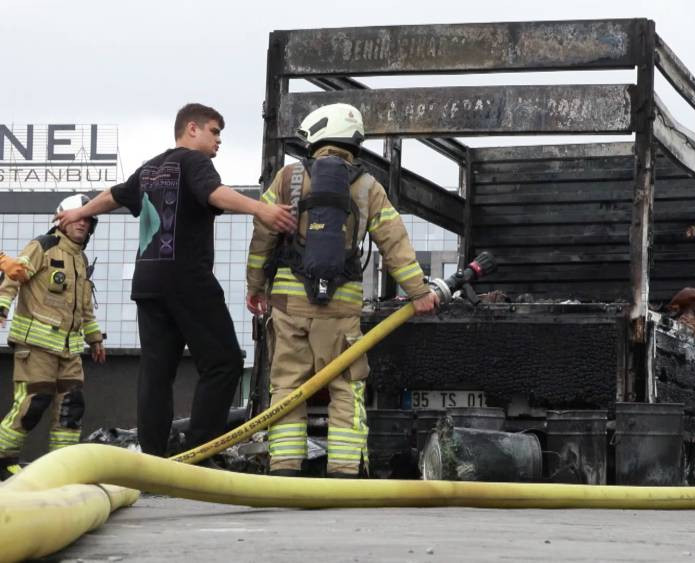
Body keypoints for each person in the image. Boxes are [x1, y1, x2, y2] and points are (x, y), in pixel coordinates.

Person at [55, 103, 296, 458]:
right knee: (224, 362)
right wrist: (261, 208)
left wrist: (79, 210)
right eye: (214, 132)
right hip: (186, 278)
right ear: (192, 129)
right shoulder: (195, 162)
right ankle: (200, 453)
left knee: (157, 373)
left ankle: (154, 461)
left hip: (148, 282)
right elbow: (214, 192)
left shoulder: (150, 167)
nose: (218, 141)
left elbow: (115, 195)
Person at [246, 103, 439, 477]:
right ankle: (345, 470)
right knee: (345, 388)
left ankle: (285, 467)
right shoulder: (369, 187)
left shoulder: (288, 179)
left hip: (289, 305)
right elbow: (394, 243)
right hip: (340, 311)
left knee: (287, 385)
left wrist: (255, 286)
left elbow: (262, 237)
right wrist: (419, 292)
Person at [0, 195, 106, 480]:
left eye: (88, 219)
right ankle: (2, 459)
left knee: (71, 408)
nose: (83, 223)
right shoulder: (42, 246)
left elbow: (84, 306)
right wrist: (1, 308)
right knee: (32, 404)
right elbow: (12, 278)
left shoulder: (81, 259)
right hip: (35, 348)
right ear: (61, 218)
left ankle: (63, 469)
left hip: (70, 351)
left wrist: (95, 338)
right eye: (77, 217)